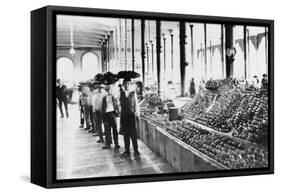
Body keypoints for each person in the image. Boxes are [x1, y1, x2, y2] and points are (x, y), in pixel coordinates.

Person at [119, 78, 140, 159]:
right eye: (125, 84)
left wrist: (137, 113)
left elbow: (136, 104)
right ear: (123, 84)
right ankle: (127, 151)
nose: (127, 85)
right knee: (126, 134)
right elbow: (117, 103)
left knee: (133, 135)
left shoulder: (133, 93)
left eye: (128, 84)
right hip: (124, 116)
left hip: (131, 116)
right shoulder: (120, 93)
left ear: (130, 84)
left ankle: (136, 152)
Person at [101, 85, 120, 150]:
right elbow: (102, 107)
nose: (108, 91)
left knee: (115, 129)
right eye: (106, 90)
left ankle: (116, 143)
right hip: (106, 114)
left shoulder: (113, 97)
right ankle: (108, 143)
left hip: (112, 114)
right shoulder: (103, 97)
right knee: (107, 129)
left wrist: (117, 111)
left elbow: (116, 104)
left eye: (109, 89)